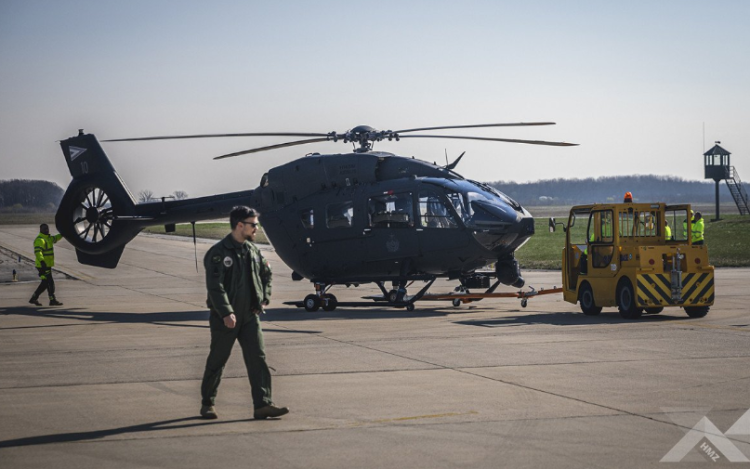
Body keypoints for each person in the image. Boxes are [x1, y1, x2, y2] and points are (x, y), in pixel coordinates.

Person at [200, 206, 288, 420]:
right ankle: (207, 403)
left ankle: (263, 404)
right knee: (218, 360)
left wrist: (263, 297)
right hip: (226, 319)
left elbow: (267, 274)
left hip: (250, 316)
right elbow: (215, 287)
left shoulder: (253, 251)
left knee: (258, 358)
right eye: (253, 225)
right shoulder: (218, 253)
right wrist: (226, 312)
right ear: (240, 225)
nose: (256, 228)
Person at [29, 223, 63, 306]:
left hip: (47, 265)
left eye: (47, 228)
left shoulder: (49, 238)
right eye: (45, 229)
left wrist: (63, 234)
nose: (47, 230)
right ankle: (52, 300)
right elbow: (38, 251)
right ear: (40, 230)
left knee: (45, 283)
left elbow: (56, 238)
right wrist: (42, 261)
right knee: (50, 283)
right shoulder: (40, 240)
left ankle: (34, 298)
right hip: (42, 265)